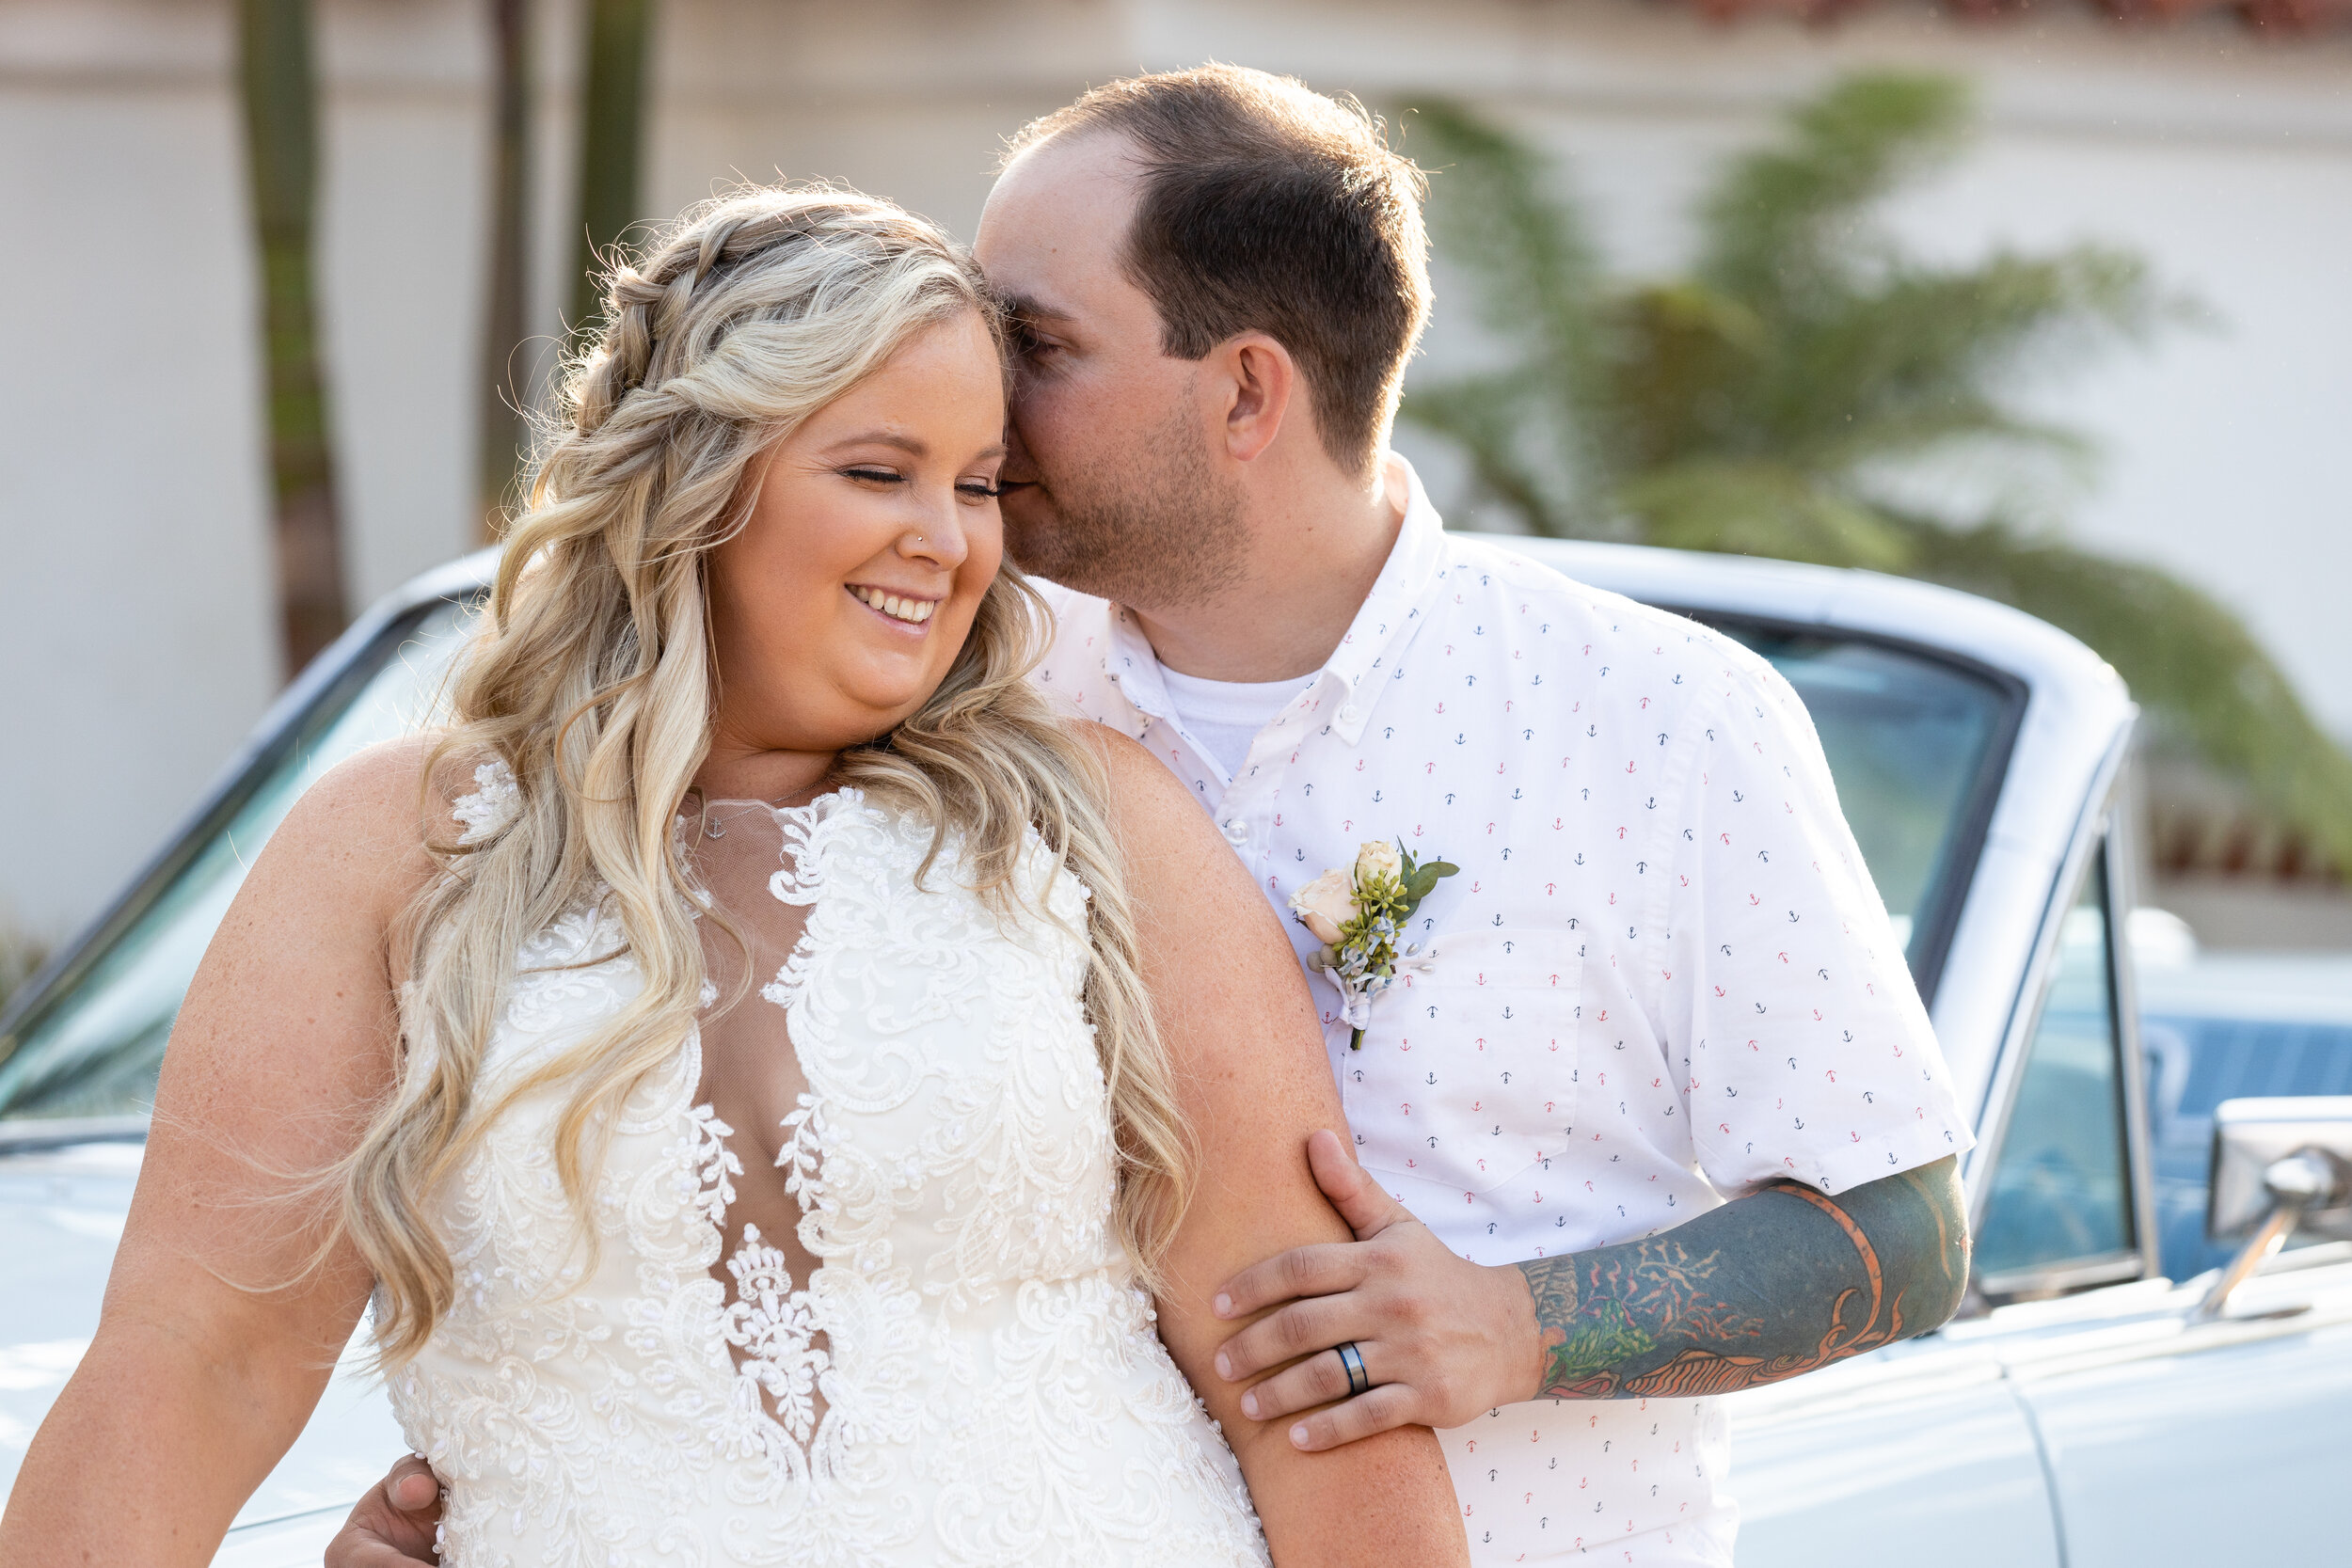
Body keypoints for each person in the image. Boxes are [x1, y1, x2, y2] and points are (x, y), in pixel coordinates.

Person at [335, 64, 1975, 1567]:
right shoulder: (944, 674)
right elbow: (729, 1089)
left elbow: (1904, 1225)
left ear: (1248, 393)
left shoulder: (1653, 721)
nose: (978, 384)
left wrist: (1524, 1324)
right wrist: (550, 1466)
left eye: (1037, 345)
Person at [0, 187, 1472, 1568]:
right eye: (877, 470)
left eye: (975, 484)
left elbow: (1299, 1361)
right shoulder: (400, 845)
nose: (947, 541)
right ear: (694, 484)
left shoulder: (1093, 825)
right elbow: (202, 1357)